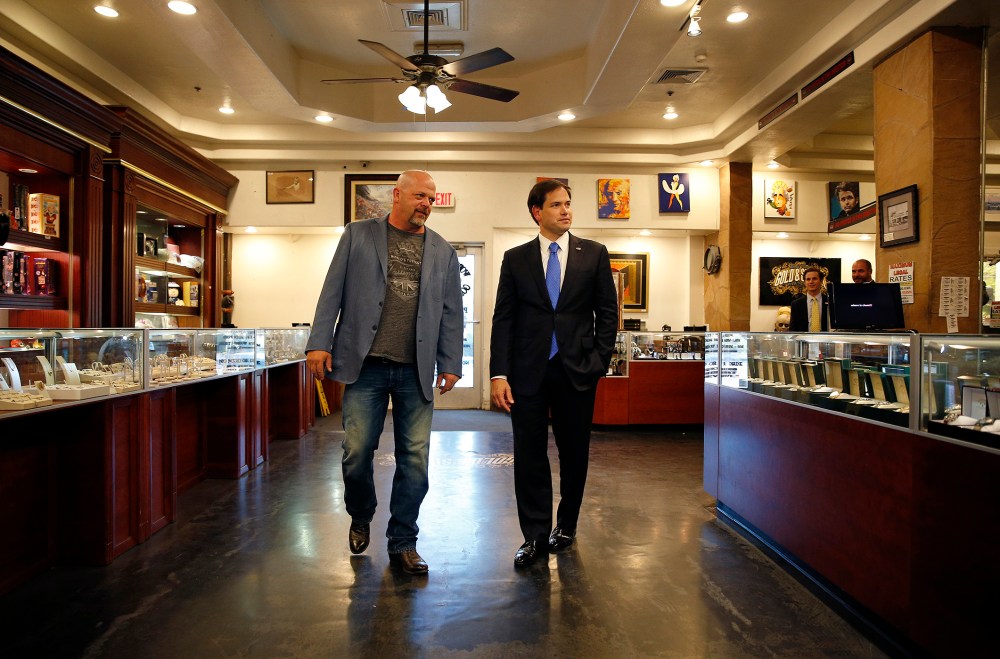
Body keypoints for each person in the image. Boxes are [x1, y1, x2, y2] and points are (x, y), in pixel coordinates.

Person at [304, 170, 464, 575]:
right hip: (365, 366)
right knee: (356, 453)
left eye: (431, 198)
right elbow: (332, 290)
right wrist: (319, 341)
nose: (427, 203)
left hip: (415, 370)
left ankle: (403, 540)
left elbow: (450, 312)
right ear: (397, 195)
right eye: (419, 195)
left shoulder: (443, 251)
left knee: (415, 460)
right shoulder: (358, 234)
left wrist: (450, 362)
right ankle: (361, 513)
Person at [490, 179, 619, 568]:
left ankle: (566, 525)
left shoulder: (593, 254)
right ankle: (533, 536)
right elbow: (504, 318)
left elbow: (607, 314)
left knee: (574, 452)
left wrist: (598, 361)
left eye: (568, 204)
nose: (566, 210)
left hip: (577, 371)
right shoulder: (516, 258)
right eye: (557, 205)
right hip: (527, 372)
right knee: (529, 454)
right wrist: (499, 373)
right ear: (537, 212)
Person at [789, 265, 828, 332]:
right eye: (808, 279)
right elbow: (793, 329)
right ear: (805, 282)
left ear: (821, 281)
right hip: (803, 341)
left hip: (825, 341)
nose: (811, 282)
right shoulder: (796, 304)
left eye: (814, 279)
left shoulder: (829, 301)